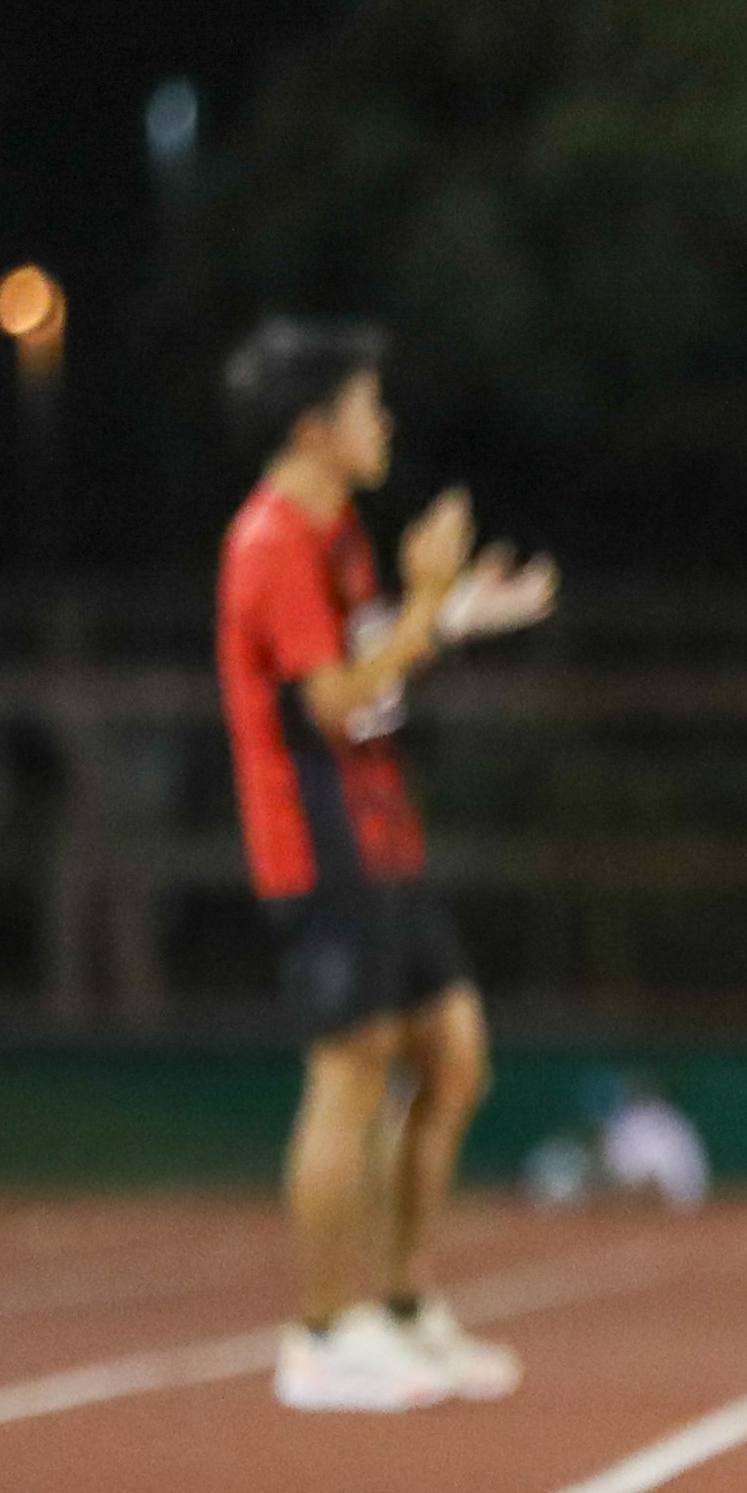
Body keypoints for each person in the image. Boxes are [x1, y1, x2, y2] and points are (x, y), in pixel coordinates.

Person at [215, 319, 559, 1412]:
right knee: (352, 1068)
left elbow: (373, 654)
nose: (385, 424)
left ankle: (403, 1310)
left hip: (378, 830)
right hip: (313, 840)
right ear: (316, 428)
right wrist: (425, 601)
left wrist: (449, 613)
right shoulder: (269, 542)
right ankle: (322, 1335)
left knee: (454, 1057)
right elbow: (332, 697)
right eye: (369, 407)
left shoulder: (337, 533)